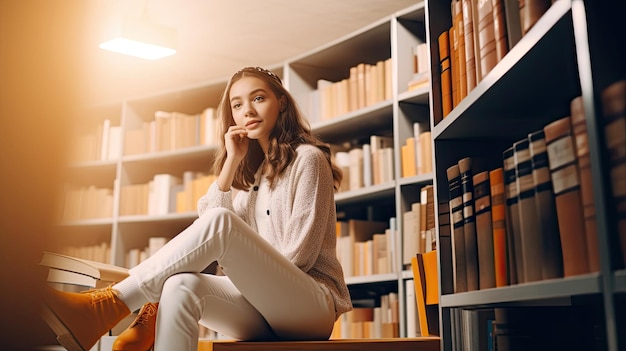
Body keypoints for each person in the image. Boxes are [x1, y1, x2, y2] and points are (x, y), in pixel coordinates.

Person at [42, 66, 353, 351]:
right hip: (264, 308)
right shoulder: (253, 178)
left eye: (258, 98)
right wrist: (232, 161)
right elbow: (206, 230)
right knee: (180, 284)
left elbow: (302, 255)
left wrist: (249, 273)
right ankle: (127, 310)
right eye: (237, 105)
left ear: (281, 103)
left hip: (310, 306)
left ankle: (107, 306)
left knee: (222, 222)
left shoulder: (308, 159)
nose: (248, 111)